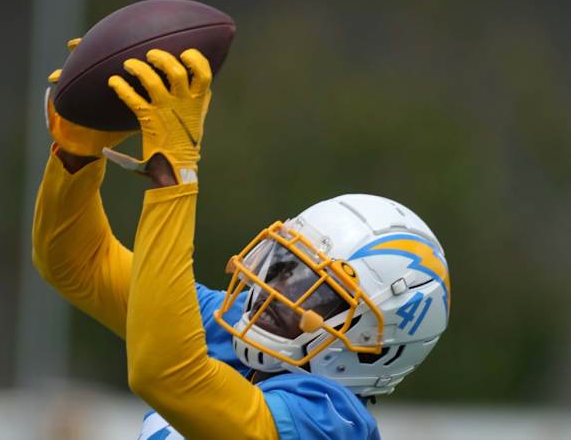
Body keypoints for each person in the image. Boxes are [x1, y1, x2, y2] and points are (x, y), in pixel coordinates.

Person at [33, 44, 450, 440]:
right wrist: (78, 157)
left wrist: (175, 180)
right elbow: (76, 262)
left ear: (374, 347)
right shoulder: (236, 333)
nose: (280, 293)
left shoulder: (329, 423)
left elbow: (166, 373)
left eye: (316, 291)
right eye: (286, 267)